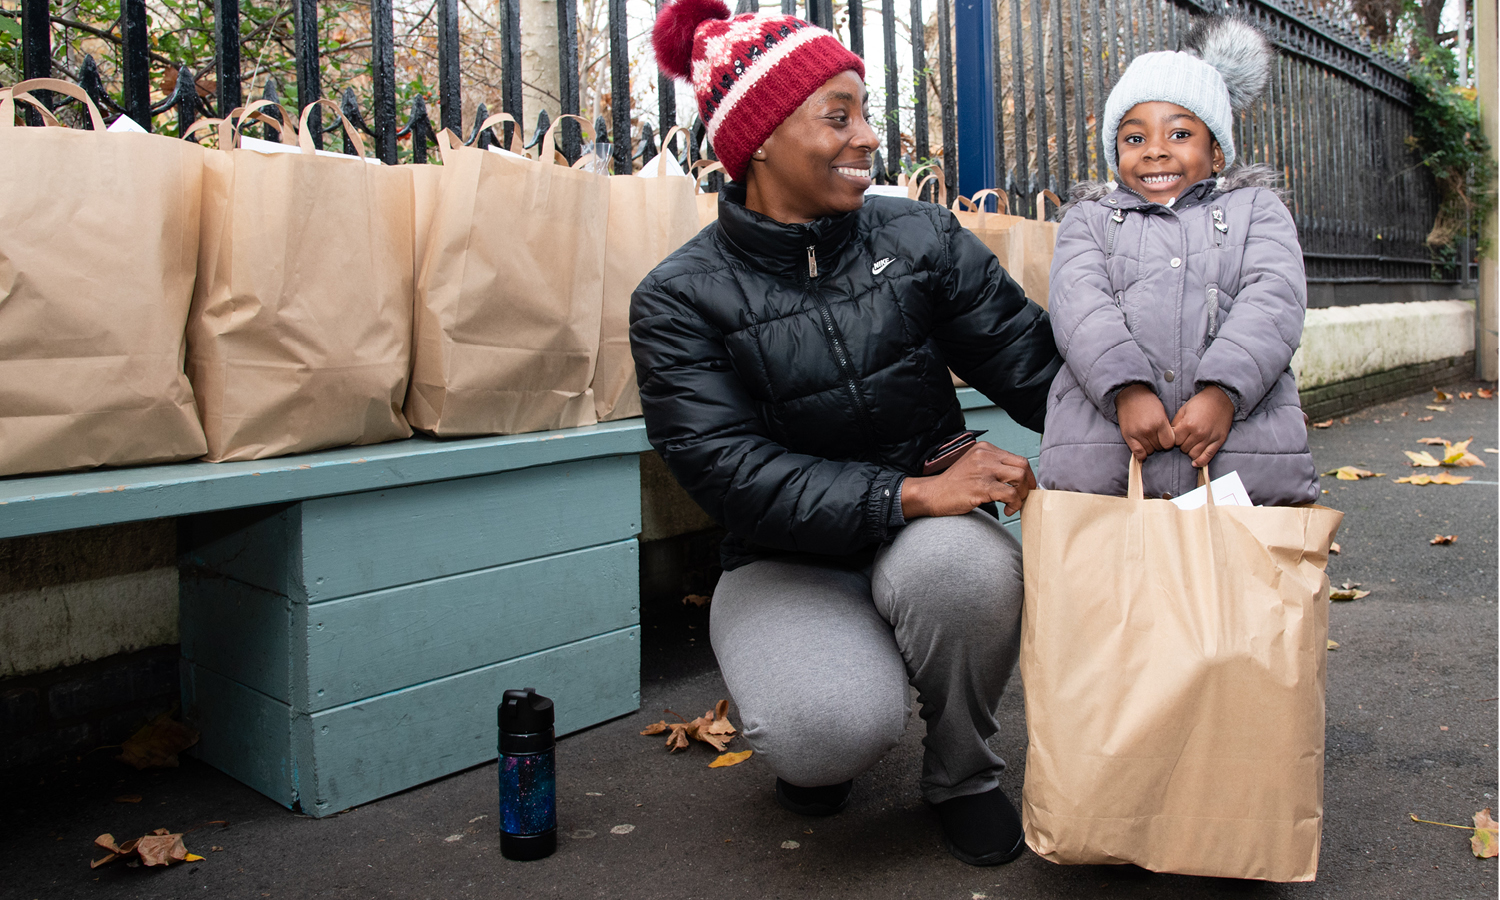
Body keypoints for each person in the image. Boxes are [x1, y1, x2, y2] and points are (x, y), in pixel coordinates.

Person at [630, 0, 1061, 867]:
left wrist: (1154, 426)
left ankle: (964, 775)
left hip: (928, 542)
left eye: (866, 111)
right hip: (784, 558)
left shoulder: (919, 235)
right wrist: (909, 493)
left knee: (971, 571)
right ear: (757, 141)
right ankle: (825, 733)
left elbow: (1033, 365)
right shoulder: (678, 298)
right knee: (823, 733)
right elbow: (731, 472)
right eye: (839, 115)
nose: (868, 136)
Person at [1040, 16, 1319, 507]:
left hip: (1241, 456)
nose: (1155, 151)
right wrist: (1125, 390)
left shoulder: (1256, 211)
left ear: (1216, 152)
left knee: (1236, 580)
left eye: (1180, 134)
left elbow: (1274, 300)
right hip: (1106, 458)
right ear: (1115, 151)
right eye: (1134, 138)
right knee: (1108, 580)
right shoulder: (1088, 220)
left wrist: (1222, 394)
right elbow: (1079, 307)